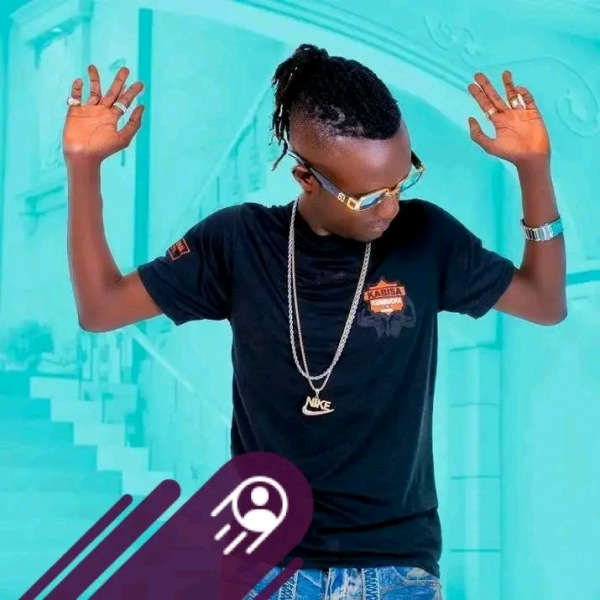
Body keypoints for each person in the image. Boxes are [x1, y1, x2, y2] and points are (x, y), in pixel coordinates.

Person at [62, 44, 566, 600]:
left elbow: (544, 303)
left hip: (396, 572)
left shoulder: (427, 238)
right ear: (305, 177)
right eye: (368, 197)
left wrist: (533, 169)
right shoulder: (238, 242)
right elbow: (101, 309)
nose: (390, 208)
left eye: (401, 183)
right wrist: (84, 168)